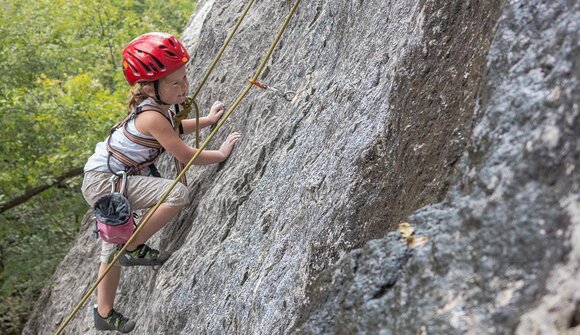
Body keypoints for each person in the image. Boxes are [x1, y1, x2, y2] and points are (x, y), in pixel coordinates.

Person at [81, 32, 241, 333]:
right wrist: (220, 153)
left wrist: (206, 121)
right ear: (149, 87)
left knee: (112, 248)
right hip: (105, 182)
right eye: (174, 83)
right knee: (176, 193)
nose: (184, 88)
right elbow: (182, 151)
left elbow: (174, 127)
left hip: (104, 179)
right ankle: (135, 245)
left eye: (184, 78)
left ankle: (103, 313)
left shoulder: (157, 110)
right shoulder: (152, 116)